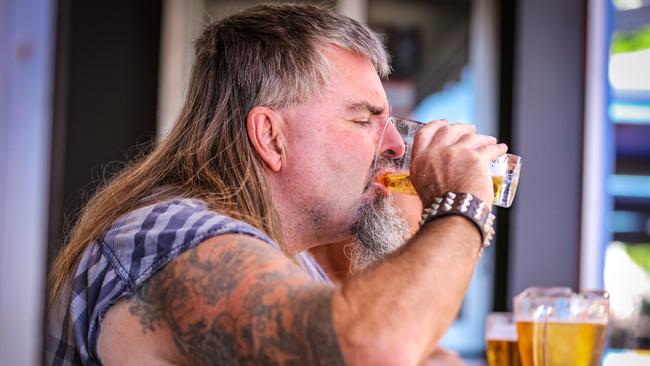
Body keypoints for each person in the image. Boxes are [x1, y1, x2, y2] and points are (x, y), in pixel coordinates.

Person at [46, 4, 507, 365]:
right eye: (364, 118)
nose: (393, 145)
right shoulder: (172, 236)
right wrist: (461, 204)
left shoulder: (290, 256)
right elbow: (371, 348)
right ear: (270, 136)